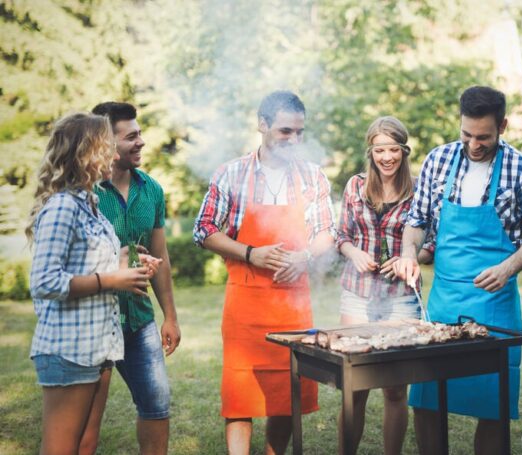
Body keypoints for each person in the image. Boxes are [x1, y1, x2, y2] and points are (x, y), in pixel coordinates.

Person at [393, 86, 522, 454]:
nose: (474, 144)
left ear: (503, 126)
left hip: (494, 304)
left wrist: (509, 267)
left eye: (484, 137)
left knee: (492, 406)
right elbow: (416, 220)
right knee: (427, 399)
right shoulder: (438, 160)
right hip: (444, 301)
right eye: (467, 134)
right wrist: (408, 252)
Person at [193, 90, 335, 455]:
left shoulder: (312, 176)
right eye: (286, 131)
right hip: (245, 304)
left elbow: (326, 234)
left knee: (288, 393)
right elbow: (204, 229)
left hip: (293, 307)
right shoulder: (232, 173)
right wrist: (251, 253)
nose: (294, 140)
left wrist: (303, 257)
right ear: (262, 125)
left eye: (300, 132)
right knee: (239, 395)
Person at [26, 113, 160, 455]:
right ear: (86, 153)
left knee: (85, 444)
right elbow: (44, 281)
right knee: (61, 449)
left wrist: (128, 260)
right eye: (106, 149)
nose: (114, 156)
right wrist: (110, 279)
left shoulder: (92, 206)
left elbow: (88, 264)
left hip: (99, 347)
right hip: (69, 348)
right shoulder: (61, 207)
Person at [335, 116, 433, 454]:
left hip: (401, 299)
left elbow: (432, 244)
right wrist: (354, 254)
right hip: (357, 295)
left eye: (394, 149)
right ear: (371, 152)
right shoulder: (354, 186)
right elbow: (342, 236)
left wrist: (410, 259)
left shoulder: (420, 189)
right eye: (380, 150)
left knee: (394, 389)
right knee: (355, 385)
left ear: (404, 151)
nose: (387, 157)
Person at [92, 102, 181, 455]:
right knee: (86, 419)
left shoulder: (152, 190)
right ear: (105, 143)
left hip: (139, 321)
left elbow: (161, 256)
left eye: (140, 133)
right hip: (96, 321)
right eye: (131, 136)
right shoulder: (85, 193)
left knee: (157, 405)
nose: (141, 141)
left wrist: (170, 316)